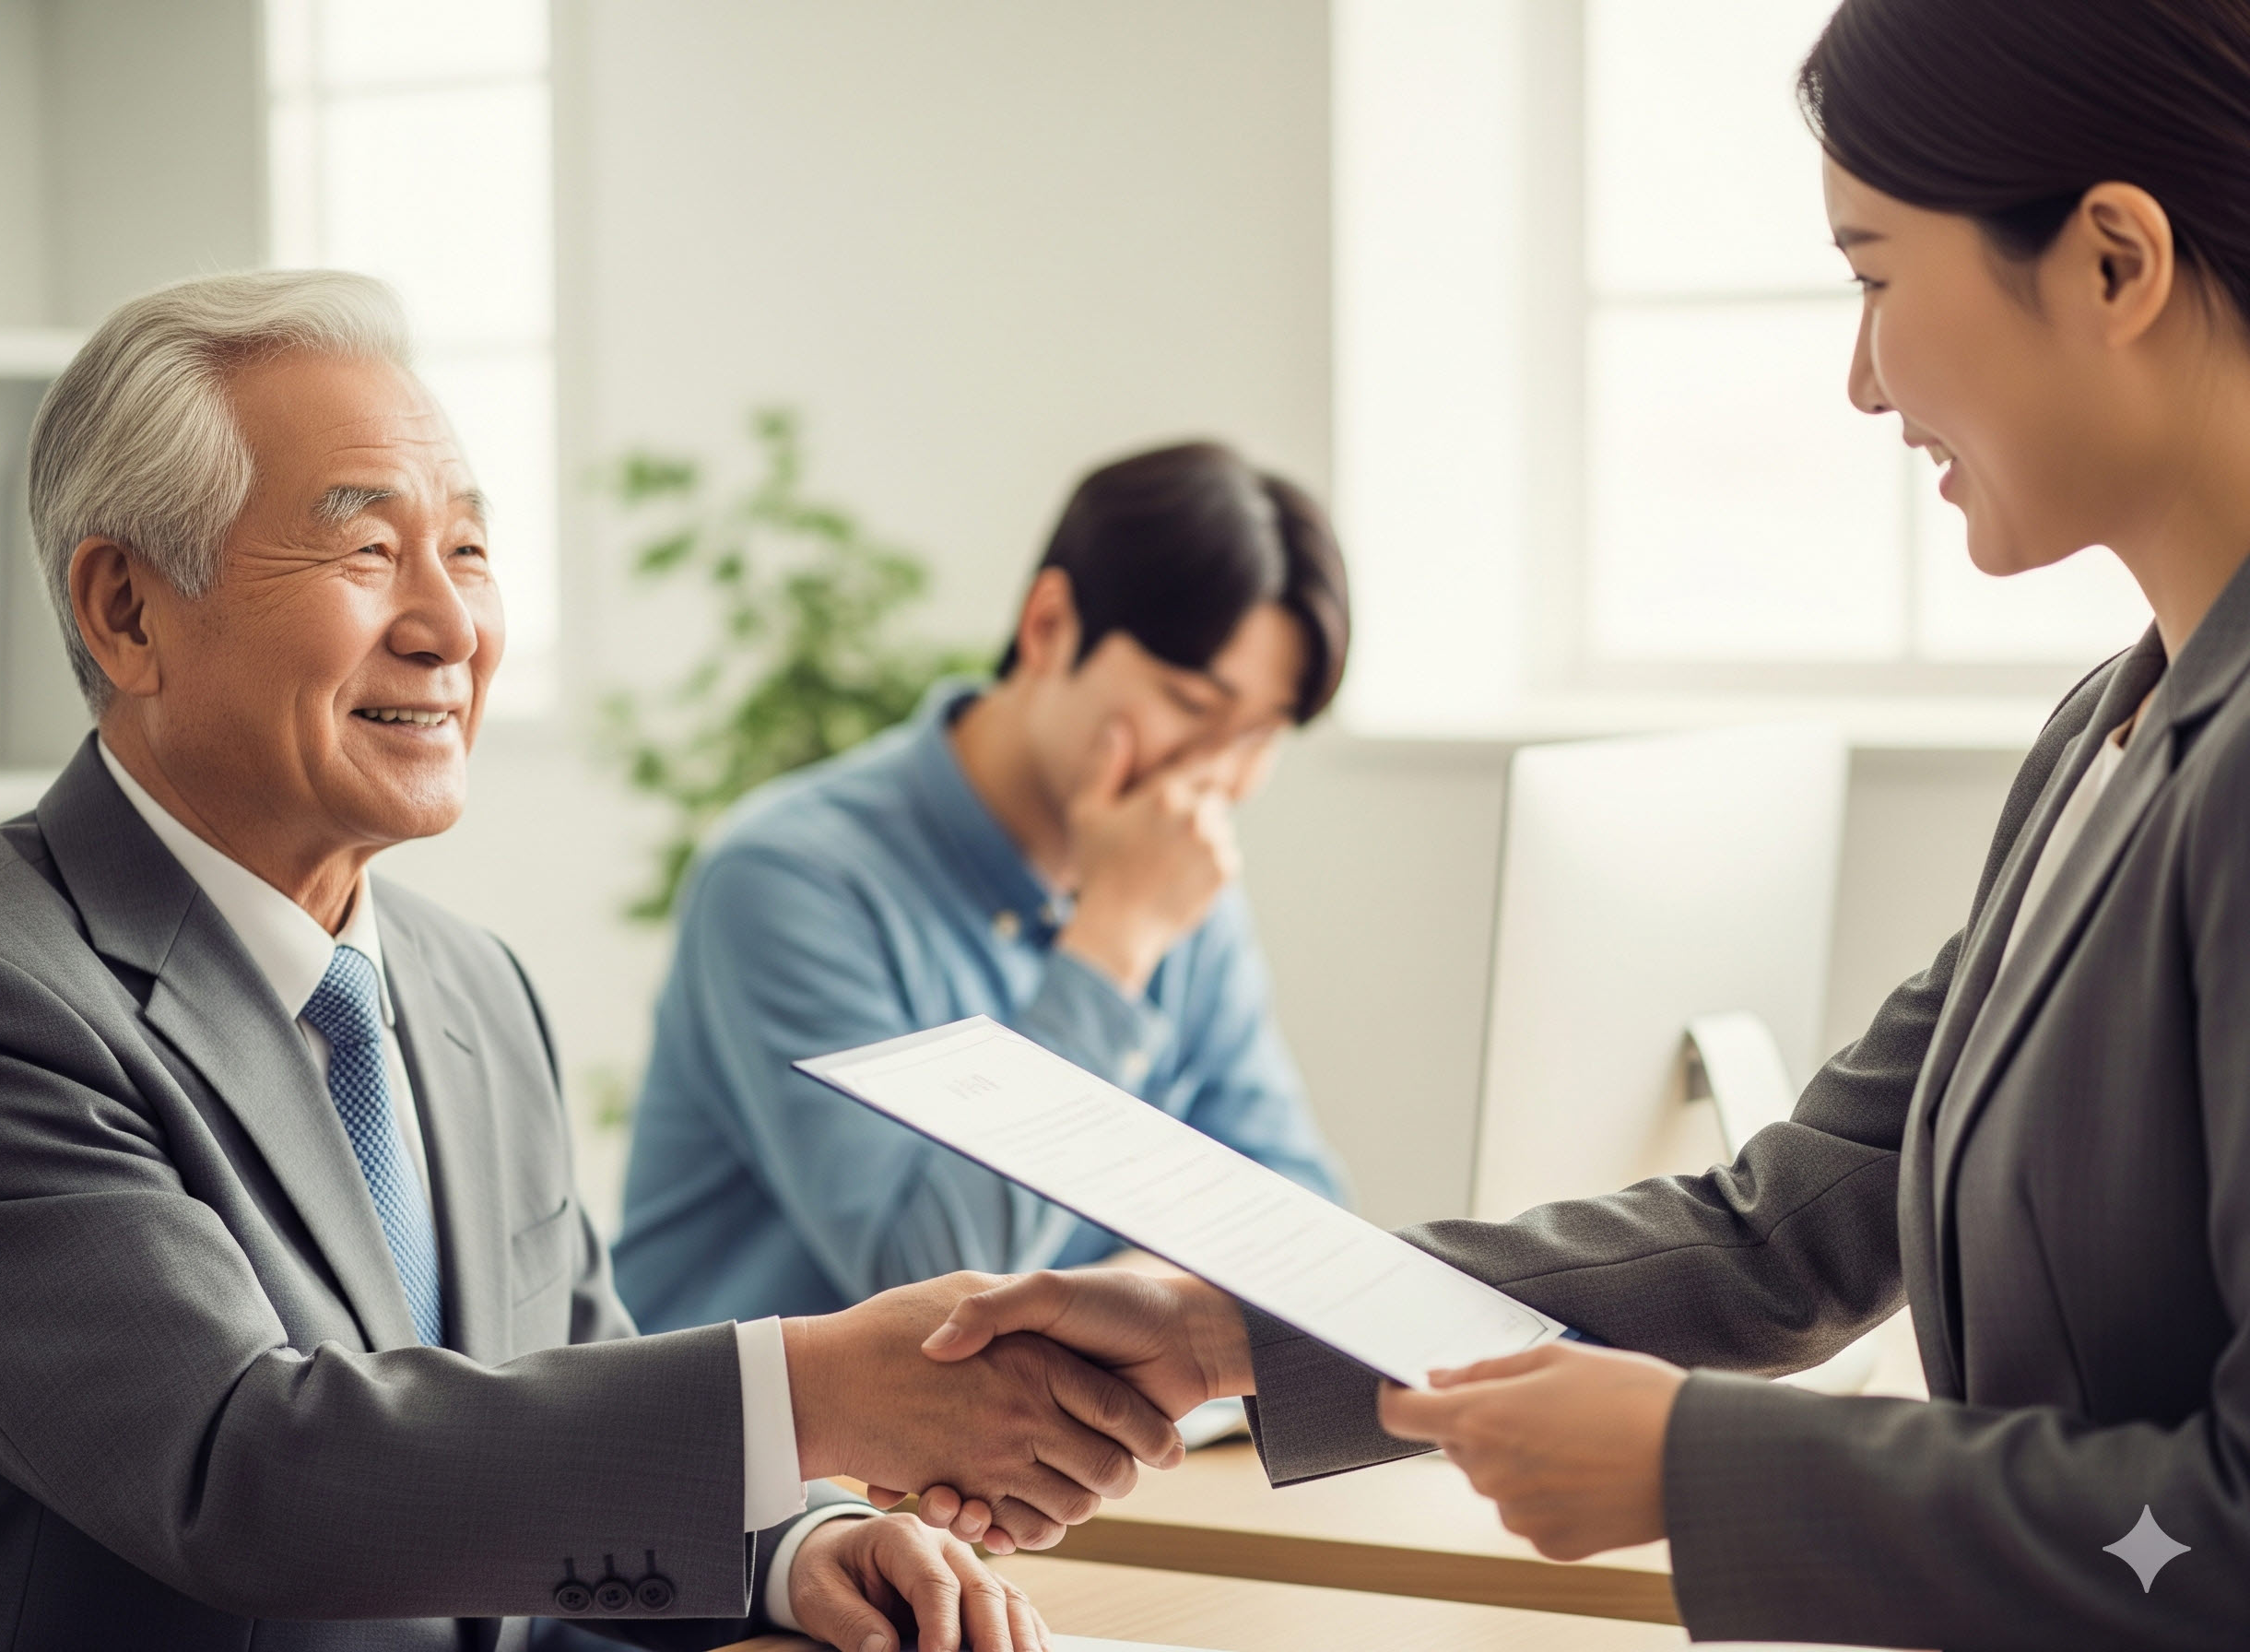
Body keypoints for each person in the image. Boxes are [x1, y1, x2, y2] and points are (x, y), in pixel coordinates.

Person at [887, 2, 2250, 1645]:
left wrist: (1699, 1468)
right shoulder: (2108, 730)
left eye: (1878, 276)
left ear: (2115, 261)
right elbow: (1781, 1227)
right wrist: (1232, 1322)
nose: (1862, 378)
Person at [0, 272, 1185, 1652]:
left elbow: (561, 1404)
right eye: (367, 552)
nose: (451, 627)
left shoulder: (467, 989)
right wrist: (814, 1390)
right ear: (126, 612)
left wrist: (797, 1547)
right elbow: (251, 1476)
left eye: (467, 551)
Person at [613, 442, 1350, 1333]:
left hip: (1099, 1460)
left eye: (1260, 734)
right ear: (1047, 626)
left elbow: (1301, 1223)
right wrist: (1111, 947)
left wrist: (1136, 1304)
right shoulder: (787, 880)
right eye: (1191, 705)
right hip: (798, 1472)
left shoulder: (1182, 884)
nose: (1217, 778)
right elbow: (929, 1284)